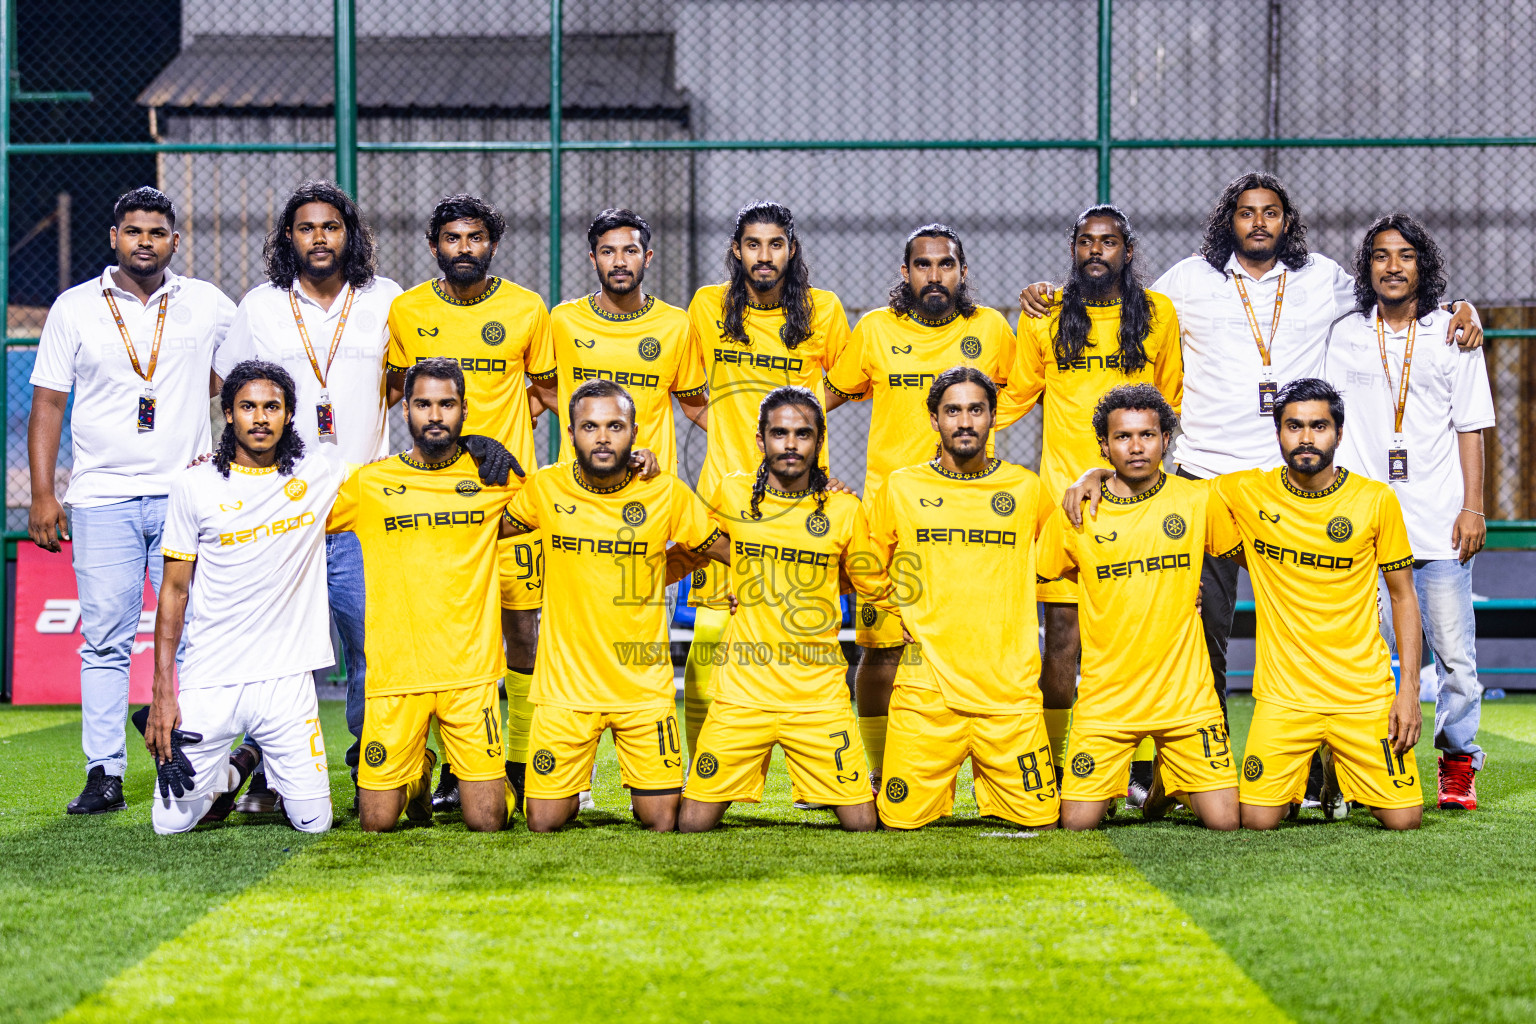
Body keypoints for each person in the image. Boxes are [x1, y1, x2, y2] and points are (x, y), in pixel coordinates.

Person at [1040, 173, 1479, 809]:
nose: (1259, 224)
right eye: (1247, 214)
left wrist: (1456, 310)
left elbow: (1394, 301)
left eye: (1271, 213)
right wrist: (1058, 296)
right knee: (1197, 632)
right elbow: (1122, 305)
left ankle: (1323, 774)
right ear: (1230, 220)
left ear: (1286, 221)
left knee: (1317, 626)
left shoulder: (1323, 278)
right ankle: (1195, 766)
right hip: (1206, 481)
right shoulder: (1189, 280)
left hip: (1290, 482)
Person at [27, 186, 236, 815]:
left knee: (200, 633)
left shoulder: (206, 304)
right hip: (101, 497)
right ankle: (103, 773)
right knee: (105, 642)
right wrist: (44, 493)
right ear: (113, 237)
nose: (145, 241)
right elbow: (48, 404)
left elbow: (246, 376)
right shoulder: (74, 308)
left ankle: (199, 753)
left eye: (157, 231)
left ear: (175, 240)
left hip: (185, 495)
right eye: (133, 230)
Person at [213, 180, 402, 810]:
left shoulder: (384, 300)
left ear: (350, 234)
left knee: (367, 642)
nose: (319, 238)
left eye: (331, 227)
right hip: (282, 504)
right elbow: (231, 386)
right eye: (305, 228)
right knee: (279, 645)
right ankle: (268, 769)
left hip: (361, 503)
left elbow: (400, 383)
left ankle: (369, 763)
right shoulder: (261, 305)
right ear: (288, 238)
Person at [995, 204, 1183, 790]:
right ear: (1073, 249)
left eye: (1108, 241)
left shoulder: (1158, 314)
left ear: (1127, 250)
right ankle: (1050, 767)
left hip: (1140, 505)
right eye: (1085, 241)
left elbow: (1169, 403)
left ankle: (1145, 770)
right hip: (1065, 506)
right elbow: (1016, 394)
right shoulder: (1044, 318)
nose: (1096, 251)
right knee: (1064, 640)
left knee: (1143, 637)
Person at [826, 225, 1016, 795]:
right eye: (923, 265)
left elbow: (1027, 389)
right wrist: (812, 469)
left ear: (962, 271)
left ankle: (990, 766)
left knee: (973, 642)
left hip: (972, 517)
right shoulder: (875, 330)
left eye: (946, 264)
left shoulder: (991, 331)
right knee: (881, 649)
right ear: (905, 272)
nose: (935, 276)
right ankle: (878, 770)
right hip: (890, 518)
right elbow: (822, 397)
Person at [385, 194, 554, 813]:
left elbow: (547, 392)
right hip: (433, 504)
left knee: (522, 635)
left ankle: (521, 761)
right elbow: (398, 397)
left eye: (475, 237)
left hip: (508, 506)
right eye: (452, 238)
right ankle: (452, 764)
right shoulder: (407, 310)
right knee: (442, 632)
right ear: (434, 246)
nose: (464, 247)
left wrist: (502, 443)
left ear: (492, 244)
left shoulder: (527, 308)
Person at [501, 379, 730, 833]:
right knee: (543, 821)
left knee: (662, 819)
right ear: (570, 434)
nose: (602, 437)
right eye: (590, 426)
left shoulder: (665, 492)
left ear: (634, 432)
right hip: (566, 690)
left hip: (641, 690)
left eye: (614, 426)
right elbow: (486, 530)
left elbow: (722, 547)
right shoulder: (545, 489)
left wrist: (668, 569)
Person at [1325, 214, 1495, 810]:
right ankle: (1353, 768)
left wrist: (1474, 507)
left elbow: (1471, 428)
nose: (1392, 266)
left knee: (1455, 658)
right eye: (1380, 255)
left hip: (1439, 522)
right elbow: (1326, 424)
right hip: (1366, 531)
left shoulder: (1453, 332)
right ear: (1366, 266)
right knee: (1359, 656)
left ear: (1423, 265)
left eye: (1405, 255)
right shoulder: (1343, 335)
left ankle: (1456, 764)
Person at [682, 200, 852, 770]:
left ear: (791, 250)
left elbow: (850, 383)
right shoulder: (708, 306)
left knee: (805, 635)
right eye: (753, 244)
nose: (764, 255)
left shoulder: (824, 311)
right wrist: (734, 428)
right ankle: (707, 771)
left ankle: (819, 770)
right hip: (724, 503)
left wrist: (799, 425)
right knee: (709, 647)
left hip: (801, 503)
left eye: (775, 244)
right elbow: (686, 390)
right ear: (737, 251)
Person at [678, 387, 892, 833]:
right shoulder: (731, 494)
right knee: (691, 824)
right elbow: (695, 550)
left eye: (802, 434)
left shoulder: (845, 508)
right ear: (760, 440)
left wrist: (913, 619)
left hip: (817, 696)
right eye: (779, 433)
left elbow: (869, 581)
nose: (790, 444)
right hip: (743, 693)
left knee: (862, 824)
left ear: (819, 440)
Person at [142, 361, 343, 834]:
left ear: (289, 415)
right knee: (170, 823)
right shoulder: (194, 484)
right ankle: (235, 769)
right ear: (228, 414)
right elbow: (174, 591)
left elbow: (392, 473)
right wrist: (162, 690)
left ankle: (246, 758)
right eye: (247, 407)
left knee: (315, 823)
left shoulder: (320, 474)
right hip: (211, 676)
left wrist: (473, 444)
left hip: (286, 681)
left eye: (271, 407)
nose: (259, 418)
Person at [1215, 379, 1423, 830]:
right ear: (1278, 434)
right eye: (1294, 426)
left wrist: (1408, 690)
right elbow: (1163, 491)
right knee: (1256, 820)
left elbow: (1404, 596)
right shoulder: (1245, 493)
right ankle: (1312, 767)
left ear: (1339, 434)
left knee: (1404, 820)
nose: (1306, 438)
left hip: (1362, 692)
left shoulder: (1375, 500)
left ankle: (1335, 766)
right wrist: (1096, 475)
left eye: (1318, 426)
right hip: (1286, 695)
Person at [328, 358, 523, 833]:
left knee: (488, 821)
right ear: (405, 411)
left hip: (469, 675)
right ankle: (418, 771)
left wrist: (645, 465)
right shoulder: (369, 485)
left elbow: (569, 495)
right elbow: (293, 506)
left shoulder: (493, 479)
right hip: (397, 675)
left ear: (464, 411)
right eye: (423, 404)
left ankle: (500, 786)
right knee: (376, 822)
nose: (435, 415)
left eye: (446, 404)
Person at [1036, 385, 1239, 831]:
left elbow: (1253, 559)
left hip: (1185, 697)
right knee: (1075, 824)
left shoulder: (1198, 500)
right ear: (1104, 446)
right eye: (1123, 437)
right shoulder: (1077, 511)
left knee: (1226, 822)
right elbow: (1037, 574)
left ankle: (1170, 782)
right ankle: (1108, 787)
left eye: (1147, 435)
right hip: (1108, 699)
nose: (1136, 446)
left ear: (1167, 439)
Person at [870, 367, 1057, 831]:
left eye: (976, 409)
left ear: (994, 416)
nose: (965, 421)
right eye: (953, 410)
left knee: (1043, 820)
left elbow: (1072, 552)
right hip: (926, 688)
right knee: (897, 820)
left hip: (1008, 690)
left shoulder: (1028, 489)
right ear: (934, 419)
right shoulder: (901, 486)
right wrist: (895, 622)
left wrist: (1094, 477)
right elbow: (867, 564)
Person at [538, 208, 706, 472]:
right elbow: (542, 390)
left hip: (651, 480)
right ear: (593, 259)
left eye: (630, 251)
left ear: (647, 257)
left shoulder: (675, 324)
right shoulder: (564, 320)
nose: (619, 262)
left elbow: (695, 406)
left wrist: (758, 439)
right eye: (608, 252)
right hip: (580, 481)